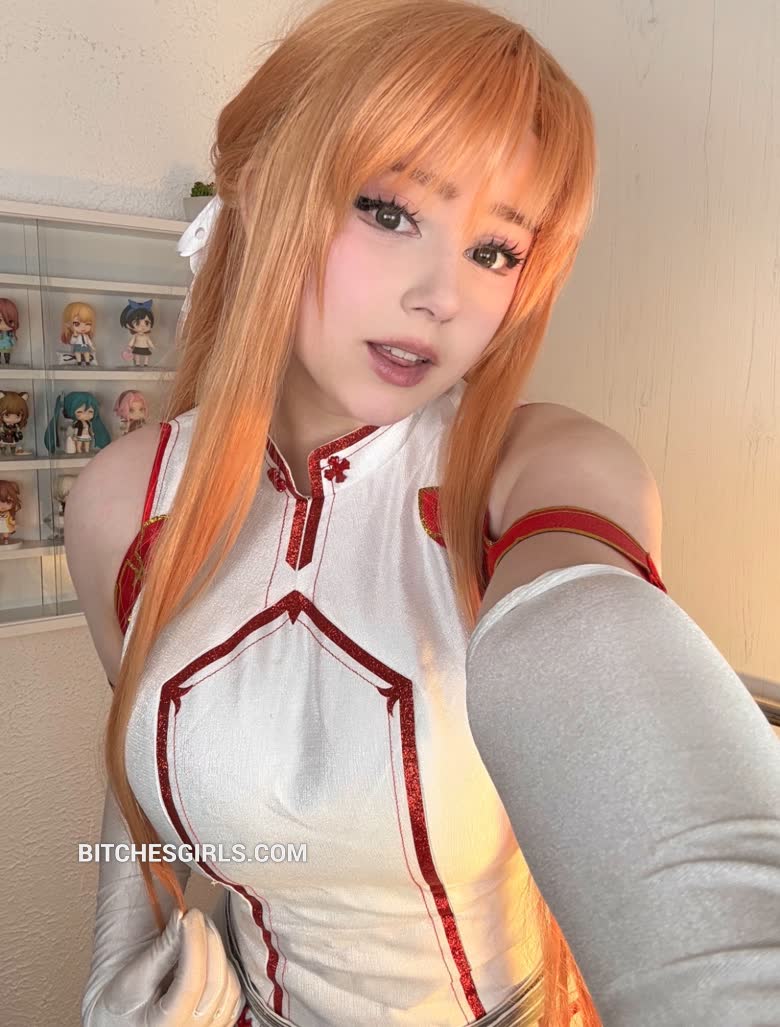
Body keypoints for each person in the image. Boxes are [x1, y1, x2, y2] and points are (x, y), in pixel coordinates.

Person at [65, 1, 780, 1025]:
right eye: (390, 210)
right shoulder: (121, 506)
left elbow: (600, 669)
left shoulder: (538, 472)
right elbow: (148, 751)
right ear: (256, 186)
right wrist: (130, 944)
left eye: (495, 250)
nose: (443, 295)